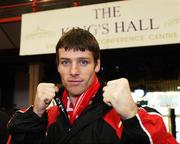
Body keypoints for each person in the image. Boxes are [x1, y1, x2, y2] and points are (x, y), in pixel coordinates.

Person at [7, 28, 178, 144]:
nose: (73, 71)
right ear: (58, 66)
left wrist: (132, 116)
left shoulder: (121, 115)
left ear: (96, 65)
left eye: (83, 62)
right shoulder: (47, 116)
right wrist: (36, 114)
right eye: (65, 62)